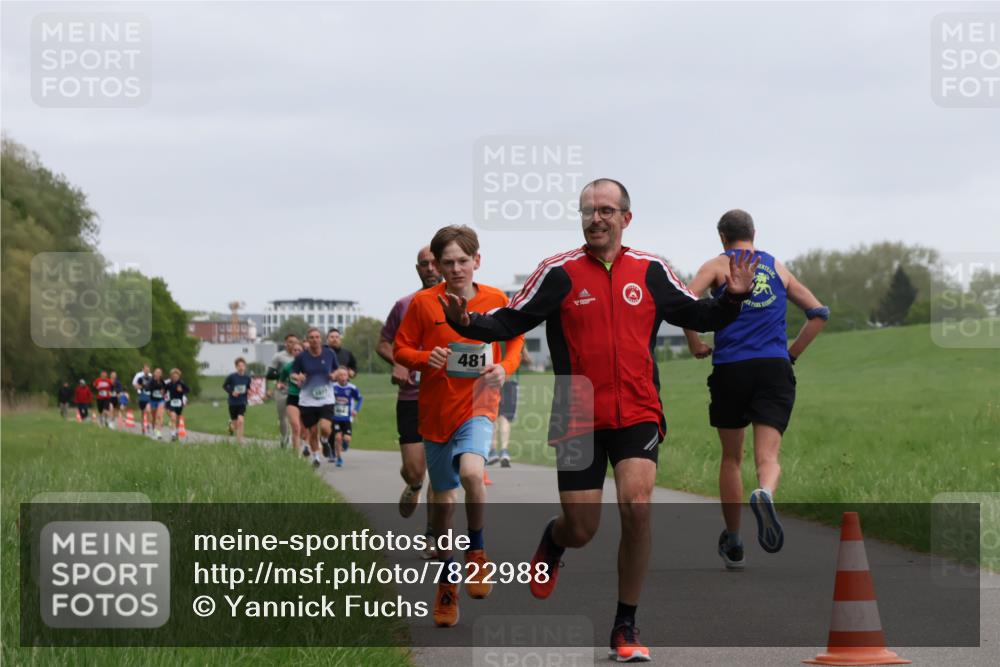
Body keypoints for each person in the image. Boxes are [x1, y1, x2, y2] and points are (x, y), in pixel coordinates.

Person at [440, 179, 759, 660]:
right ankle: (555, 538)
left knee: (637, 505)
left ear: (625, 218)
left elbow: (700, 313)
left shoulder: (652, 271)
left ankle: (625, 625)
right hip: (577, 409)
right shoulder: (558, 272)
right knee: (582, 527)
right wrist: (466, 324)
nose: (596, 218)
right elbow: (511, 319)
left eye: (607, 210)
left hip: (638, 408)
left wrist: (733, 298)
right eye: (589, 210)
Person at [682, 209, 828, 569]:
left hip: (731, 368)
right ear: (754, 233)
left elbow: (685, 305)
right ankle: (764, 492)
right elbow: (819, 313)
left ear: (722, 236)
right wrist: (791, 354)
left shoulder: (717, 265)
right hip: (773, 368)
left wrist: (695, 343)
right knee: (768, 458)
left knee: (732, 458)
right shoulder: (778, 267)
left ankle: (733, 540)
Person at [395, 225, 525, 628]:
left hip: (478, 406)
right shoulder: (422, 303)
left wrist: (503, 368)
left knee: (472, 472)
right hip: (435, 414)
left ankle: (477, 552)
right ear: (437, 265)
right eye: (447, 262)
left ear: (477, 261)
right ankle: (447, 584)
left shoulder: (495, 299)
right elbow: (401, 348)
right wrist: (422, 358)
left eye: (462, 261)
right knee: (443, 507)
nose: (455, 269)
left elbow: (515, 341)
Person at [376, 245, 442, 560]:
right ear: (417, 269)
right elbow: (383, 342)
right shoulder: (404, 305)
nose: (429, 268)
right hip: (412, 397)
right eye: (423, 264)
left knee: (441, 473)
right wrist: (398, 363)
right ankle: (414, 485)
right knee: (416, 471)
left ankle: (432, 537)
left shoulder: (459, 302)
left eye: (434, 263)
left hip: (446, 398)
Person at [290, 328, 339, 468]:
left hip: (326, 398)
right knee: (312, 431)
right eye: (311, 337)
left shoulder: (329, 353)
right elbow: (293, 373)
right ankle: (316, 457)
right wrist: (297, 376)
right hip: (308, 400)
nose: (314, 339)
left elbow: (337, 369)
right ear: (307, 339)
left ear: (321, 339)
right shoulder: (302, 357)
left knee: (325, 427)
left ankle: (324, 440)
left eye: (317, 337)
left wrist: (334, 375)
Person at [487, 346, 532, 468]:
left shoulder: (489, 331)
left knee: (493, 416)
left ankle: (493, 451)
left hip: (492, 378)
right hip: (510, 379)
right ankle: (504, 451)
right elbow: (528, 360)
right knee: (505, 417)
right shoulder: (516, 334)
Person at [267, 333, 299, 447]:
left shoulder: (302, 356)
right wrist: (284, 374)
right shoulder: (279, 356)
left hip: (296, 390)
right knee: (282, 417)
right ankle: (284, 437)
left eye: (295, 342)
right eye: (290, 342)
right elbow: (270, 374)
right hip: (282, 390)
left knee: (296, 417)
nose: (293, 344)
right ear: (286, 343)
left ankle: (296, 438)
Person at [330, 367, 363, 466]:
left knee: (347, 438)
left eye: (345, 375)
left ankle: (345, 444)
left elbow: (360, 399)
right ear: (336, 377)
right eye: (340, 375)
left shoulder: (352, 388)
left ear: (348, 376)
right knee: (338, 438)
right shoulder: (332, 387)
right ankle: (339, 458)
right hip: (335, 418)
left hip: (346, 418)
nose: (343, 377)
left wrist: (356, 410)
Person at [277, 341, 305, 454]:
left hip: (307, 399)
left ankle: (308, 448)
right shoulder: (288, 367)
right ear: (292, 352)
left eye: (299, 350)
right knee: (296, 427)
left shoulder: (309, 366)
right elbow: (280, 381)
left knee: (304, 430)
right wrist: (280, 385)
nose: (297, 352)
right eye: (295, 350)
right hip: (293, 397)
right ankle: (295, 456)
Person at [223, 358, 253, 444]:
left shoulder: (247, 378)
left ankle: (240, 442)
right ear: (236, 367)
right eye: (239, 366)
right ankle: (230, 426)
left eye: (243, 366)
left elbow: (249, 388)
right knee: (235, 425)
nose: (241, 367)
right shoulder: (232, 377)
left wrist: (249, 391)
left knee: (241, 421)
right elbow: (225, 386)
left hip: (242, 402)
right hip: (232, 402)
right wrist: (232, 392)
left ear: (245, 367)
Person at [164, 368, 191, 442]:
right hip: (171, 403)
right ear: (171, 376)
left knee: (178, 419)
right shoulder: (169, 384)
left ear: (179, 376)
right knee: (173, 417)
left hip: (179, 403)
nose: (175, 377)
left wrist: (182, 390)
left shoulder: (181, 383)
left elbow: (188, 390)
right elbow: (164, 391)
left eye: (176, 376)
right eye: (173, 376)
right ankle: (173, 434)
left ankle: (176, 432)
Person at [132, 364, 153, 434]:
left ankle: (148, 426)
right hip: (141, 396)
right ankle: (143, 427)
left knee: (148, 411)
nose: (147, 370)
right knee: (143, 412)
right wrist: (138, 387)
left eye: (148, 369)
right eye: (145, 369)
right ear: (143, 369)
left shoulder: (151, 377)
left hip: (149, 396)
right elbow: (135, 385)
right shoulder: (139, 377)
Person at [147, 368, 167, 440]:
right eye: (157, 372)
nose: (158, 374)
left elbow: (165, 389)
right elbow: (148, 388)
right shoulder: (151, 381)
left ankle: (158, 432)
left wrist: (163, 391)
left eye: (159, 372)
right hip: (152, 401)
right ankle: (154, 430)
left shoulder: (162, 382)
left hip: (160, 400)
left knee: (159, 416)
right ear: (154, 373)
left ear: (161, 374)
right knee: (154, 417)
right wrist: (156, 388)